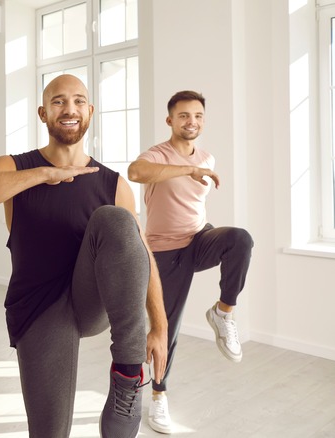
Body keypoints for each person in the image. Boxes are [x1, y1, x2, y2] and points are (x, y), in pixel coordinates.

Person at [0, 74, 168, 438]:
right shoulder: (17, 166)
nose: (69, 109)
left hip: (92, 300)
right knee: (49, 432)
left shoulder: (113, 182)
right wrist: (43, 174)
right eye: (58, 101)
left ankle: (128, 373)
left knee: (116, 220)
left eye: (78, 101)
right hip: (39, 305)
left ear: (90, 111)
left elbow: (141, 254)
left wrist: (160, 326)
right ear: (43, 113)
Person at [127, 90, 253, 435]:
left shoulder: (207, 157)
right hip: (164, 251)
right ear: (170, 120)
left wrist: (197, 168)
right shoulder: (156, 155)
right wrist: (187, 169)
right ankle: (157, 397)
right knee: (163, 330)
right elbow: (136, 172)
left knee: (239, 239)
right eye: (183, 116)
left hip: (199, 239)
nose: (191, 122)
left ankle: (223, 313)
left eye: (197, 116)